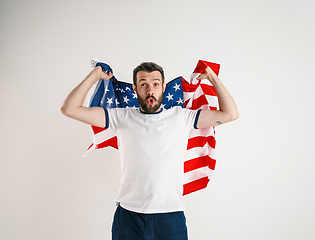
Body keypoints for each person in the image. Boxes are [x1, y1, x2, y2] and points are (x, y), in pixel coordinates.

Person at [61, 61, 238, 240]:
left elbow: (230, 114)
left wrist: (213, 78)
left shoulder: (182, 117)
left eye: (155, 84)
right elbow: (69, 109)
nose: (150, 90)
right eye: (143, 84)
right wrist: (94, 75)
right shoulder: (121, 116)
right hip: (129, 217)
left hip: (170, 217)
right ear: (135, 89)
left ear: (163, 87)